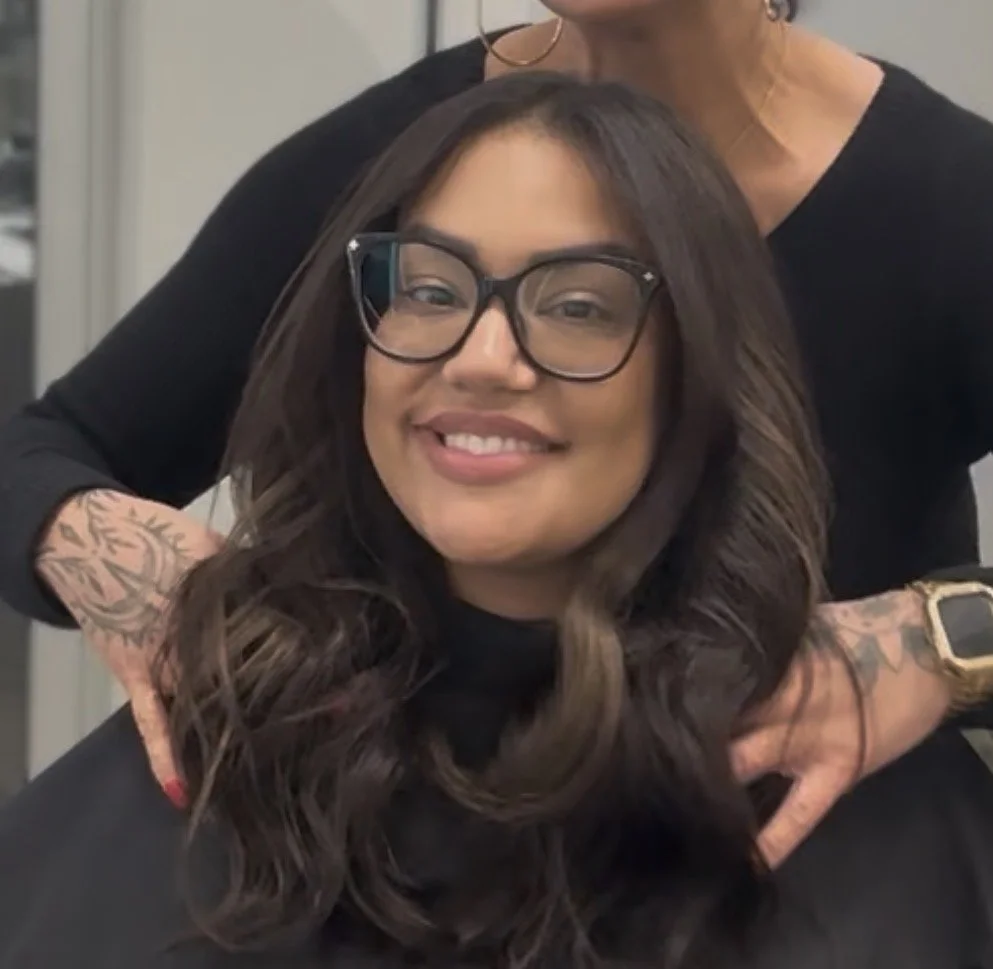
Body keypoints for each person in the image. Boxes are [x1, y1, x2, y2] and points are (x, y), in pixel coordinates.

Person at [4, 71, 993, 969]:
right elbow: (38, 450)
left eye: (579, 306)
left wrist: (945, 641)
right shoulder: (192, 782)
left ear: (704, 385)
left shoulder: (942, 198)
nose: (480, 357)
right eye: (428, 289)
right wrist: (147, 579)